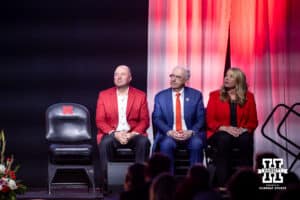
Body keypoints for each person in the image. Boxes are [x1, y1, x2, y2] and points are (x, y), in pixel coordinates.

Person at [96, 65, 151, 189]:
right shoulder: (104, 95)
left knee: (144, 142)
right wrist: (114, 133)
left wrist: (132, 134)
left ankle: (139, 184)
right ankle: (107, 183)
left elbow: (144, 120)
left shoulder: (140, 95)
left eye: (123, 74)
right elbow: (100, 120)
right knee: (105, 143)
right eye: (116, 74)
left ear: (130, 78)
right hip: (113, 134)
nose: (119, 77)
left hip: (132, 133)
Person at [206, 67, 258, 187]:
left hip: (240, 132)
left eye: (231, 76)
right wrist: (224, 127)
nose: (226, 78)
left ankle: (246, 183)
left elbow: (253, 121)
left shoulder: (249, 97)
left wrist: (244, 129)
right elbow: (210, 121)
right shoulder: (214, 95)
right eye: (226, 76)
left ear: (238, 80)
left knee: (246, 139)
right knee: (224, 139)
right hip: (220, 131)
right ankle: (223, 184)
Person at [152, 66, 206, 172]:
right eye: (172, 76)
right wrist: (169, 131)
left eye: (178, 77)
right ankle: (167, 180)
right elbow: (157, 118)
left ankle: (195, 181)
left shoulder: (196, 95)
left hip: (190, 134)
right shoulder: (160, 96)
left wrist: (191, 132)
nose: (173, 79)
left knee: (197, 144)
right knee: (166, 144)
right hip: (170, 134)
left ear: (186, 80)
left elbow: (201, 118)